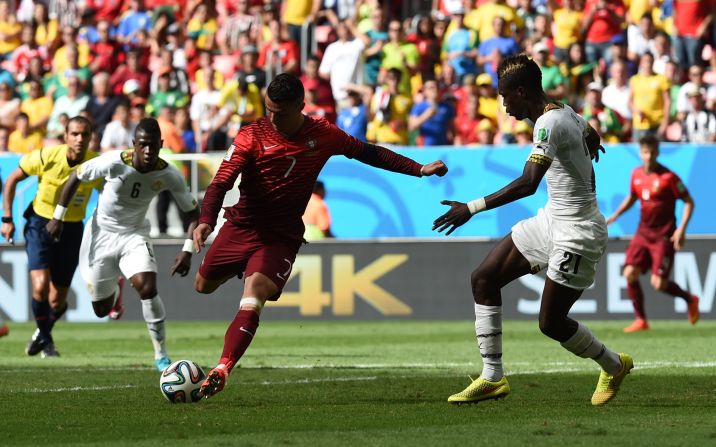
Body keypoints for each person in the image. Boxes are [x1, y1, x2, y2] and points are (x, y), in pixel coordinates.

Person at [192, 73, 448, 398]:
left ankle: (222, 367)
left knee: (255, 292)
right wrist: (206, 220)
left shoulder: (323, 134)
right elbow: (221, 182)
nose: (272, 118)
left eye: (279, 112)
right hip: (241, 226)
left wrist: (418, 168)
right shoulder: (251, 136)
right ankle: (245, 265)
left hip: (280, 235)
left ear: (301, 106)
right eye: (268, 110)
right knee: (203, 286)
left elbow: (368, 152)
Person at [432, 54, 631, 406]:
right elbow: (587, 129)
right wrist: (591, 140)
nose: (504, 105)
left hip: (578, 233)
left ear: (521, 92)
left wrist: (471, 208)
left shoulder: (549, 124)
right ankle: (493, 377)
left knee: (551, 323)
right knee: (484, 278)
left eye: (505, 96)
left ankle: (613, 365)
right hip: (551, 220)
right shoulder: (564, 112)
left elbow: (528, 183)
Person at [45, 118, 200, 371]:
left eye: (153, 146)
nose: (148, 151)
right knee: (101, 309)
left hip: (134, 234)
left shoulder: (169, 174)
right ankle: (115, 291)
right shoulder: (114, 161)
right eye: (143, 145)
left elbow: (194, 214)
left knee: (147, 288)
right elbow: (76, 176)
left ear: (161, 144)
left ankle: (161, 355)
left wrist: (187, 252)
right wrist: (58, 217)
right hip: (101, 234)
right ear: (134, 145)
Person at [1, 116, 98, 357]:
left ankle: (41, 334)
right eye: (74, 134)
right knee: (41, 285)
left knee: (57, 301)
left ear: (90, 137)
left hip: (72, 228)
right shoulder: (46, 156)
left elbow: (110, 195)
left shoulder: (96, 164)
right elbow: (12, 179)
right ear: (65, 136)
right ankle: (46, 339)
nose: (79, 139)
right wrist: (7, 218)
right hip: (39, 223)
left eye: (84, 134)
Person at [606, 135, 699, 332]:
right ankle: (641, 320)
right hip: (643, 233)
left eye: (652, 152)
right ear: (640, 153)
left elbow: (689, 201)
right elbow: (632, 197)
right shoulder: (636, 174)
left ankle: (690, 299)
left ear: (658, 153)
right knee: (629, 273)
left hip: (664, 235)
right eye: (645, 152)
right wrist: (615, 215)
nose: (648, 156)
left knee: (658, 283)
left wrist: (681, 229)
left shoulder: (669, 177)